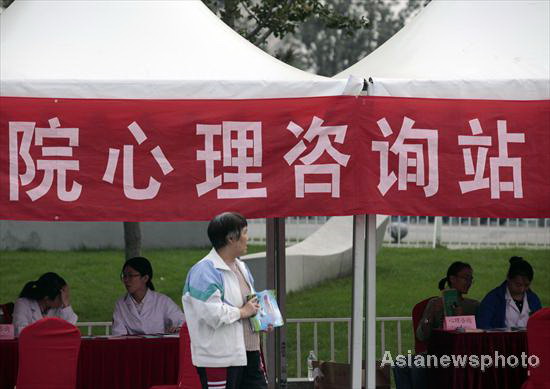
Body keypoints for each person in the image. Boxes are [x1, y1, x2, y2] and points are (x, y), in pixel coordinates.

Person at [182, 212, 267, 389]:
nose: (247, 237)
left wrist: (263, 320)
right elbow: (211, 313)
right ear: (230, 238)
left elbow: (250, 302)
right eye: (244, 232)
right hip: (220, 359)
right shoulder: (204, 271)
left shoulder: (241, 266)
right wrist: (243, 312)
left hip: (249, 353)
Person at [112, 256, 185, 335]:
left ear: (145, 278)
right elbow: (118, 335)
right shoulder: (120, 304)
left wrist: (178, 328)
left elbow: (181, 321)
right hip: (131, 347)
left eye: (131, 276)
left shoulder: (163, 301)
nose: (126, 280)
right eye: (124, 276)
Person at [416, 261, 479, 342]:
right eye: (466, 278)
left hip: (464, 351)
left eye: (471, 279)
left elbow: (478, 336)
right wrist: (430, 314)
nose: (469, 283)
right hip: (438, 351)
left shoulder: (474, 306)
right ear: (452, 279)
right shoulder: (435, 303)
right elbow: (421, 336)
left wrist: (460, 320)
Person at [477, 256, 541, 329]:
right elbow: (482, 325)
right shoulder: (493, 299)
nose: (522, 289)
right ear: (508, 278)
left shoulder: (533, 300)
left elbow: (541, 324)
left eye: (526, 285)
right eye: (518, 284)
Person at [12, 272, 78, 336]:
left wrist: (66, 305)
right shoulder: (22, 304)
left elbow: (70, 330)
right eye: (62, 296)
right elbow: (20, 332)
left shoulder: (61, 308)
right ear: (47, 298)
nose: (64, 299)